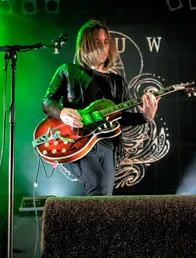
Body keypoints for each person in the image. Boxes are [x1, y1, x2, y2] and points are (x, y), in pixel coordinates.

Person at [42, 20, 159, 196]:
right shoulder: (68, 71)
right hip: (76, 140)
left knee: (105, 194)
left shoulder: (116, 81)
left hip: (107, 143)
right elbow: (47, 102)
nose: (104, 46)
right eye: (97, 42)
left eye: (106, 41)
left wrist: (145, 117)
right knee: (97, 184)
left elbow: (121, 116)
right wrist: (63, 112)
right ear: (86, 44)